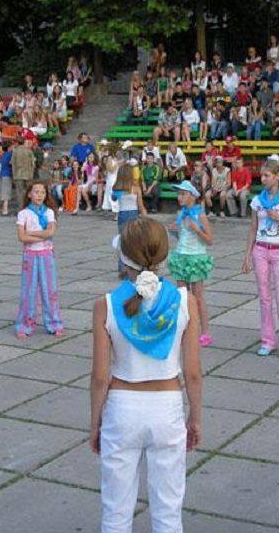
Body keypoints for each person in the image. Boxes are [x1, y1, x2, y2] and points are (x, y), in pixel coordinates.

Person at [90, 218, 202, 533]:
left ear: (123, 256)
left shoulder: (106, 305)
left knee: (115, 512)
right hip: (167, 407)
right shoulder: (186, 301)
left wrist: (95, 422)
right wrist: (195, 417)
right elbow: (193, 373)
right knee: (168, 513)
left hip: (121, 407)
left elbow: (100, 377)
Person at [241, 159, 279, 360]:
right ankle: (267, 340)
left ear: (277, 177)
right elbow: (253, 229)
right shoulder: (257, 201)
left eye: (267, 175)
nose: (263, 179)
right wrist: (247, 256)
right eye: (262, 175)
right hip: (260, 250)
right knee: (264, 299)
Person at [15, 181, 64, 339]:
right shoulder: (23, 214)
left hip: (46, 254)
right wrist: (41, 235)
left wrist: (31, 233)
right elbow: (21, 237)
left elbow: (50, 232)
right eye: (36, 192)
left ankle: (54, 323)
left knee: (49, 290)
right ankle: (25, 325)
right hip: (30, 255)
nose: (39, 195)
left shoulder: (49, 212)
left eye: (42, 192)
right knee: (28, 291)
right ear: (29, 194)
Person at [167, 181, 214, 347]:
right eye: (178, 194)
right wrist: (174, 231)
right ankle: (185, 328)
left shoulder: (200, 215)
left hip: (195, 258)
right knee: (182, 296)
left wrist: (198, 230)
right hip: (181, 256)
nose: (179, 197)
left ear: (193, 196)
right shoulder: (182, 214)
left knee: (198, 297)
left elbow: (210, 240)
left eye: (183, 194)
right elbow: (182, 237)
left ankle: (205, 331)